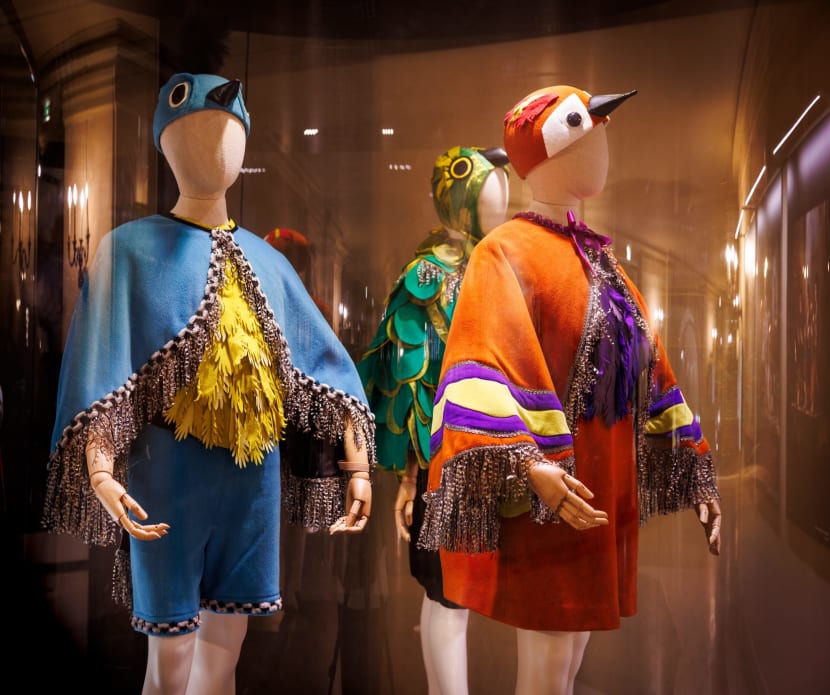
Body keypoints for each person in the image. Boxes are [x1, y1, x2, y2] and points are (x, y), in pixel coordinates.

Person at [41, 72, 374, 695]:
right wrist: (101, 470)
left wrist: (358, 465)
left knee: (226, 652)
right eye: (196, 128)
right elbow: (102, 362)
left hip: (254, 482)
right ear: (164, 142)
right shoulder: (130, 251)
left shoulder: (270, 262)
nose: (216, 143)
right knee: (169, 659)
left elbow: (325, 366)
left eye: (230, 130)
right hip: (167, 478)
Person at [418, 85, 722, 695]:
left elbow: (650, 365)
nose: (602, 146)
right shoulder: (504, 252)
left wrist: (695, 467)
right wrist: (529, 464)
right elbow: (478, 359)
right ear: (546, 151)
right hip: (552, 495)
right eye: (587, 132)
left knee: (569, 658)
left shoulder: (600, 259)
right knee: (550, 662)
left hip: (599, 492)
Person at [358, 146, 510, 694]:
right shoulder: (426, 276)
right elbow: (408, 380)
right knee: (446, 593)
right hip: (443, 459)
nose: (499, 204)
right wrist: (410, 474)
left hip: (494, 455)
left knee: (457, 595)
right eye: (487, 194)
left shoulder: (499, 265)